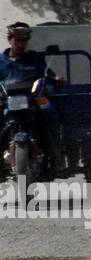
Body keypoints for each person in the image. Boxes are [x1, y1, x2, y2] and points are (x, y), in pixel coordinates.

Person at [0, 22, 61, 171]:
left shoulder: (35, 59)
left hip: (33, 101)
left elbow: (48, 75)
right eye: (17, 40)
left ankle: (55, 152)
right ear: (10, 40)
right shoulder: (0, 61)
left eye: (24, 41)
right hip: (7, 103)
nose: (21, 44)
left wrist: (56, 79)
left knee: (49, 112)